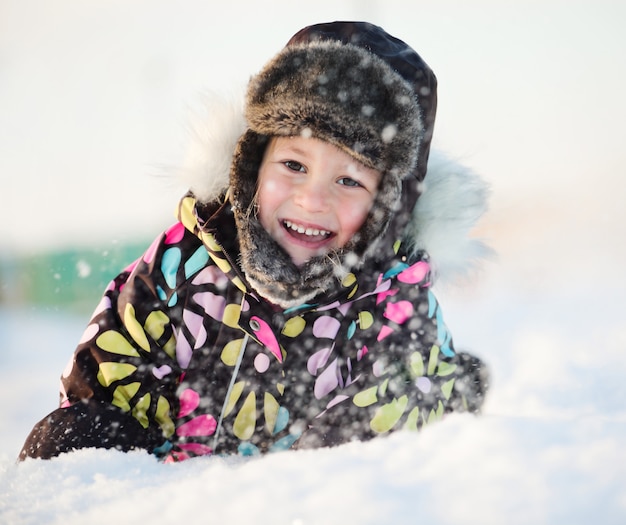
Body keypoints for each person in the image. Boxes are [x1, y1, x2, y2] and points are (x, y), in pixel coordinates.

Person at [19, 21, 489, 462]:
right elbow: (107, 375)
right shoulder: (184, 265)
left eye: (349, 181)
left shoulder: (396, 306)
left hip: (308, 505)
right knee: (66, 437)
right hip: (170, 497)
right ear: (251, 164)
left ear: (389, 208)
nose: (311, 199)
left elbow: (397, 434)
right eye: (294, 166)